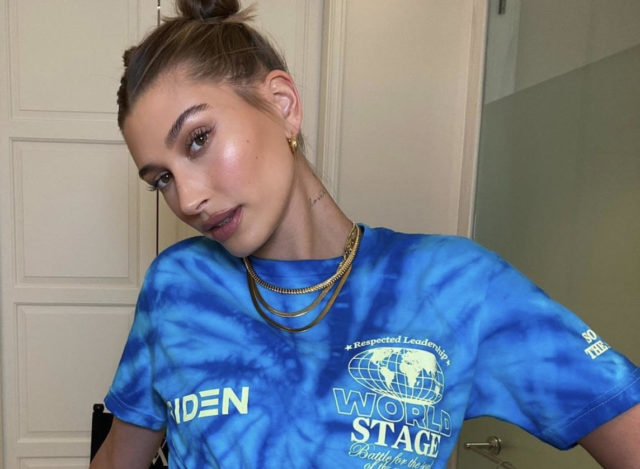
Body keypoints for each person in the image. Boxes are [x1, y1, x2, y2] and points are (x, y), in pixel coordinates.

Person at [90, 1, 640, 468]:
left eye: (198, 139)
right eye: (161, 179)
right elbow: (118, 459)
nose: (187, 199)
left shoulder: (454, 285)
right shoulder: (180, 286)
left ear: (283, 105)